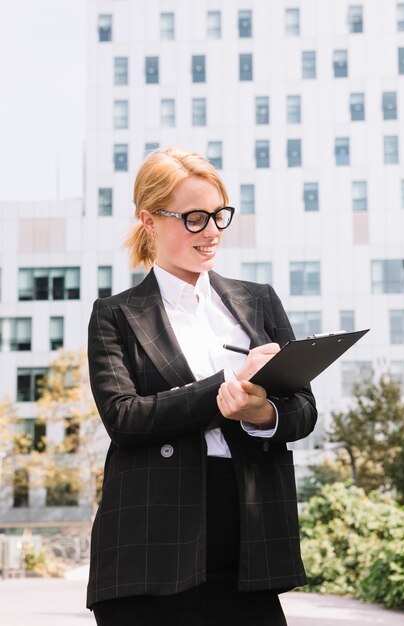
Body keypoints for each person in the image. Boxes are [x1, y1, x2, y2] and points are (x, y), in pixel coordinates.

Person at [86, 148, 317, 626]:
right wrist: (226, 389)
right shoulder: (116, 315)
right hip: (152, 540)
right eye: (194, 218)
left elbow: (303, 410)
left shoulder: (258, 302)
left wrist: (262, 414)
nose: (211, 231)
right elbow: (125, 418)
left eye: (218, 215)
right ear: (149, 221)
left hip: (249, 536)